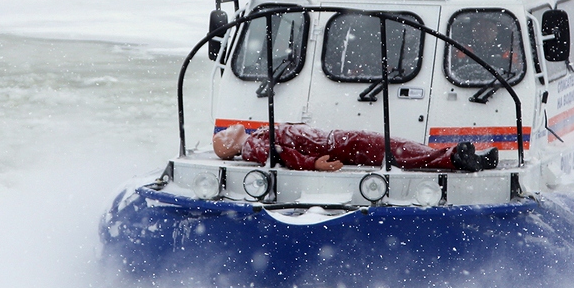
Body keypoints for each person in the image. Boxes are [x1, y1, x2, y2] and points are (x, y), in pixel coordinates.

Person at [213, 123, 498, 172]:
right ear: (230, 145)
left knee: (397, 147)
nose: (228, 129)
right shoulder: (251, 145)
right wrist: (313, 164)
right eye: (224, 134)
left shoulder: (256, 137)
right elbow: (279, 155)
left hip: (339, 140)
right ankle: (454, 159)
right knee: (395, 151)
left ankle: (455, 157)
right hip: (339, 144)